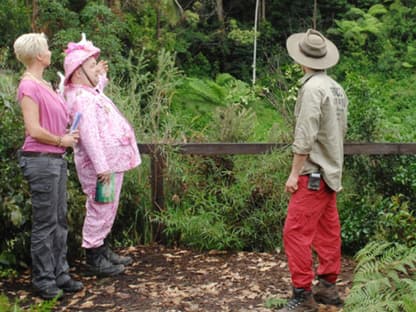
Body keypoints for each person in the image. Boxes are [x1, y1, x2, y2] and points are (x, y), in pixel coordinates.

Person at [278, 29, 348, 312]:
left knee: (294, 231)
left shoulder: (311, 89)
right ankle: (328, 288)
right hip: (330, 172)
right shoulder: (335, 87)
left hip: (314, 173)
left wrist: (295, 173)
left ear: (301, 59)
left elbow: (305, 135)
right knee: (327, 230)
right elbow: (339, 131)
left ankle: (302, 294)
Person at [63, 34, 141, 277]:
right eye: (90, 66)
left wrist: (100, 77)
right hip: (102, 167)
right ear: (77, 73)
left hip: (108, 164)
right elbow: (90, 136)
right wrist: (101, 167)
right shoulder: (82, 100)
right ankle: (94, 256)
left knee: (108, 206)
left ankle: (102, 247)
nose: (95, 69)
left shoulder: (87, 94)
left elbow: (97, 91)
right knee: (101, 206)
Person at [13, 33, 83, 300]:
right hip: (41, 160)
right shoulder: (28, 86)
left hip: (56, 159)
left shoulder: (44, 83)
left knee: (59, 220)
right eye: (47, 49)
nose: (51, 52)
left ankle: (60, 273)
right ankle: (43, 280)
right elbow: (33, 129)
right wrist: (60, 139)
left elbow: (54, 119)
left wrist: (67, 132)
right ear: (39, 56)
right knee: (45, 223)